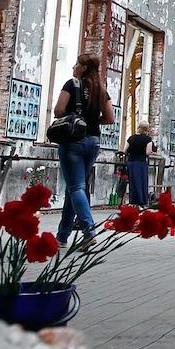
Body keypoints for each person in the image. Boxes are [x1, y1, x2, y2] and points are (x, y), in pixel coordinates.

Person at [54, 54, 115, 248]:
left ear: (83, 68)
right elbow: (110, 118)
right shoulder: (100, 90)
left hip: (73, 141)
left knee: (76, 188)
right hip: (93, 142)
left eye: (76, 64)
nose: (73, 66)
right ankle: (62, 236)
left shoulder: (71, 85)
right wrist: (92, 121)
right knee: (74, 188)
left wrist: (75, 118)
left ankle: (89, 231)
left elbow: (58, 110)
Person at [124, 123, 155, 207]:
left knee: (133, 182)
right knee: (142, 182)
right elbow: (148, 152)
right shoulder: (147, 139)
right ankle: (141, 201)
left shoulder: (131, 138)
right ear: (146, 130)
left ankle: (132, 201)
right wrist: (152, 152)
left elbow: (125, 150)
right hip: (141, 162)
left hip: (131, 162)